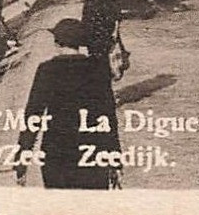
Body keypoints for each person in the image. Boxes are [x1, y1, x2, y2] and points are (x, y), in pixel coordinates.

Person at [15, 18, 122, 189]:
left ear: (57, 42)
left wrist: (22, 161)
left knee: (62, 209)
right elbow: (108, 117)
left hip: (57, 153)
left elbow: (33, 116)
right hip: (93, 152)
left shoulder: (47, 70)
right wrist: (115, 160)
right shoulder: (97, 69)